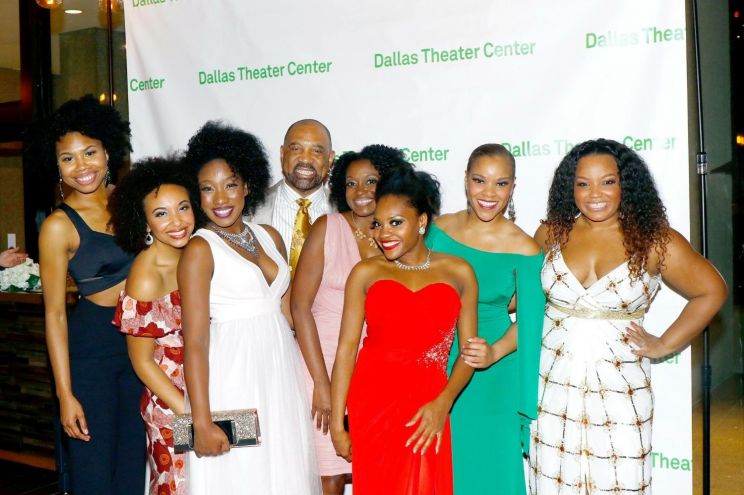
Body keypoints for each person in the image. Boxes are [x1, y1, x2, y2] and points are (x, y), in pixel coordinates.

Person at [528, 139, 727, 494]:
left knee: (620, 479)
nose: (595, 194)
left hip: (620, 384)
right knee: (554, 478)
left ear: (626, 185)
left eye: (608, 182)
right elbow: (523, 298)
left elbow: (711, 290)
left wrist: (664, 343)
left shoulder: (654, 240)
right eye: (583, 184)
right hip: (554, 381)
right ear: (570, 188)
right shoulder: (551, 233)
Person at [180, 121, 320, 494]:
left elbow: (289, 314)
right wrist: (201, 421)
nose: (220, 198)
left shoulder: (268, 236)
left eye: (230, 184)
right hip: (232, 375)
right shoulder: (200, 249)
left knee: (282, 470)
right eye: (207, 188)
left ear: (246, 186)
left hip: (279, 372)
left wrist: (314, 380)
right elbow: (195, 341)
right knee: (241, 475)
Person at [330, 168, 478, 494]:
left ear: (421, 221)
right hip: (372, 401)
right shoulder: (365, 272)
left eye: (396, 222)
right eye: (377, 224)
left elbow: (469, 354)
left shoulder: (459, 272)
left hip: (429, 403)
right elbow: (346, 351)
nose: (384, 233)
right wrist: (338, 423)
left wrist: (443, 403)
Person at [30, 95, 144, 494]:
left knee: (135, 466)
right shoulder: (58, 227)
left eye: (89, 152)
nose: (81, 166)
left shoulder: (133, 201)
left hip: (143, 346)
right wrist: (65, 394)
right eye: (68, 158)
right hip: (92, 352)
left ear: (107, 151)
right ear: (56, 166)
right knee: (94, 471)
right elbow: (54, 315)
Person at [292, 145, 412, 494]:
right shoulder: (327, 228)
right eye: (351, 183)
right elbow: (299, 307)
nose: (360, 191)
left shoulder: (398, 236)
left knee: (374, 471)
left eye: (371, 181)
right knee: (328, 474)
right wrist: (322, 384)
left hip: (377, 373)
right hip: (322, 363)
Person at [427, 143, 544, 494]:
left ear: (513, 187)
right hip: (432, 362)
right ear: (465, 180)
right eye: (480, 180)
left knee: (490, 467)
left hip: (490, 369)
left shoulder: (525, 248)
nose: (489, 193)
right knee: (440, 466)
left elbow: (532, 319)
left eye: (501, 183)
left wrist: (493, 352)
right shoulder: (437, 230)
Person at [110, 156, 204, 495]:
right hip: (171, 402)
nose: (177, 221)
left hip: (206, 390)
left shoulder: (197, 254)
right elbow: (142, 362)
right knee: (178, 486)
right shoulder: (146, 275)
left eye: (183, 208)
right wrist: (189, 413)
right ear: (145, 222)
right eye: (161, 213)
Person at [250, 119, 336, 274]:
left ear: (330, 159)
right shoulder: (249, 208)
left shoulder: (346, 212)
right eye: (296, 149)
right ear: (283, 153)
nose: (305, 159)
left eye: (316, 151)